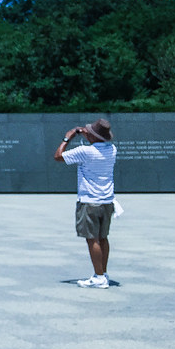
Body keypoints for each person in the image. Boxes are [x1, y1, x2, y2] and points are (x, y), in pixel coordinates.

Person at [53, 118, 117, 289]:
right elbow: (96, 140)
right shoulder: (112, 149)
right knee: (103, 238)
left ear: (94, 137)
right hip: (107, 200)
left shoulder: (85, 151)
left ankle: (98, 277)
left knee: (92, 239)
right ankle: (103, 273)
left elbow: (58, 156)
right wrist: (87, 134)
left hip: (89, 201)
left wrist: (68, 138)